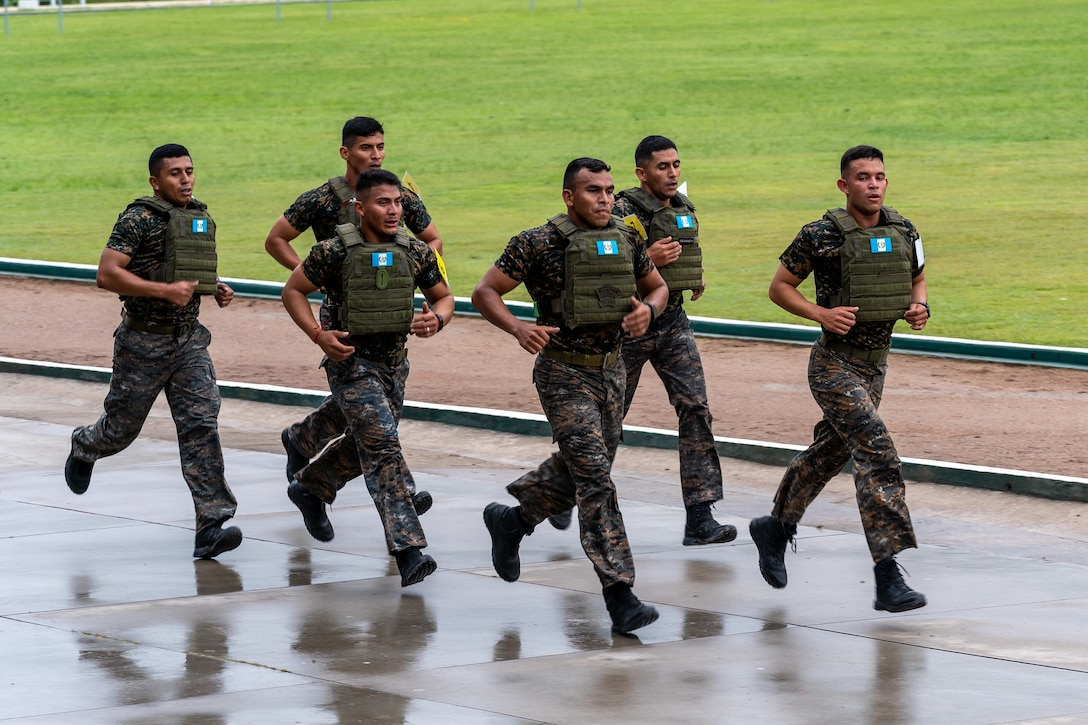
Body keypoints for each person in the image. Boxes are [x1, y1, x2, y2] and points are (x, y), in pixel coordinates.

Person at [472, 157, 669, 634]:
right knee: (597, 481)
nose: (604, 199)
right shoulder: (536, 242)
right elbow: (485, 292)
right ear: (568, 197)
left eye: (608, 190)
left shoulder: (626, 236)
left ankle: (512, 522)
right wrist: (519, 329)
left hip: (612, 373)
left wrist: (647, 309)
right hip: (563, 375)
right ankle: (620, 594)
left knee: (585, 470)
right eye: (593, 191)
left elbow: (658, 287)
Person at [749, 145, 930, 612]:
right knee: (877, 450)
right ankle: (887, 575)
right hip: (833, 366)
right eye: (863, 177)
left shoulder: (904, 229)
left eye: (880, 176)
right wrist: (820, 314)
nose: (873, 184)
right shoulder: (820, 234)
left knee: (829, 453)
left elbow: (919, 276)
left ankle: (775, 528)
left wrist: (919, 307)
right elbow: (779, 287)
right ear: (844, 185)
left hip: (876, 366)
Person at [546, 135, 735, 547]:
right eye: (663, 166)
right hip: (625, 329)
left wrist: (691, 275)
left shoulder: (682, 207)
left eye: (676, 165)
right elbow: (597, 269)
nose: (672, 173)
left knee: (695, 407)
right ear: (641, 172)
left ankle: (700, 515)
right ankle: (559, 494)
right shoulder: (620, 209)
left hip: (672, 324)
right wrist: (651, 259)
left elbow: (683, 254)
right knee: (603, 426)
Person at [63, 144, 242, 560]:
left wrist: (213, 286)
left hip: (189, 343)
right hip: (142, 343)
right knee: (121, 430)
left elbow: (190, 268)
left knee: (201, 425)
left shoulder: (199, 216)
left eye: (190, 171)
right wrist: (163, 291)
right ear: (155, 181)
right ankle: (86, 446)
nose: (186, 180)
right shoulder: (137, 218)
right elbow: (107, 275)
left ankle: (211, 524)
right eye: (175, 173)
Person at [280, 168, 453, 587]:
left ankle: (311, 484)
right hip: (351, 365)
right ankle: (409, 551)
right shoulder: (333, 251)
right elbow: (293, 291)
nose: (394, 210)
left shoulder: (415, 251)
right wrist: (319, 336)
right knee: (383, 448)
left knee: (366, 442)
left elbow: (443, 297)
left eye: (397, 202)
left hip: (394, 366)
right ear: (360, 208)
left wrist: (438, 320)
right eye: (383, 203)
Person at [265, 116, 440, 518]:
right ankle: (403, 491)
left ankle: (303, 443)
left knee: (370, 406)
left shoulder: (399, 196)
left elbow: (432, 239)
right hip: (341, 319)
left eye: (380, 147)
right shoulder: (322, 199)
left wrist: (415, 279)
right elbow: (276, 240)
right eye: (366, 148)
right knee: (374, 416)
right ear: (346, 152)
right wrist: (316, 278)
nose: (375, 155)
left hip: (389, 317)